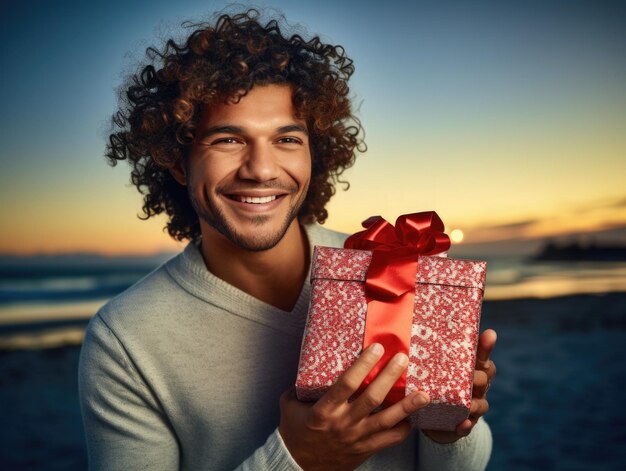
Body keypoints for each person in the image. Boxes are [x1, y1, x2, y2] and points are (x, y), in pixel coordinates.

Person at [78, 9, 497, 470]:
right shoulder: (125, 340)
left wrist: (446, 431)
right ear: (178, 162)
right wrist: (299, 460)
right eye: (228, 140)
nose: (261, 169)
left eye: (287, 140)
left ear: (315, 153)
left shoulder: (393, 270)